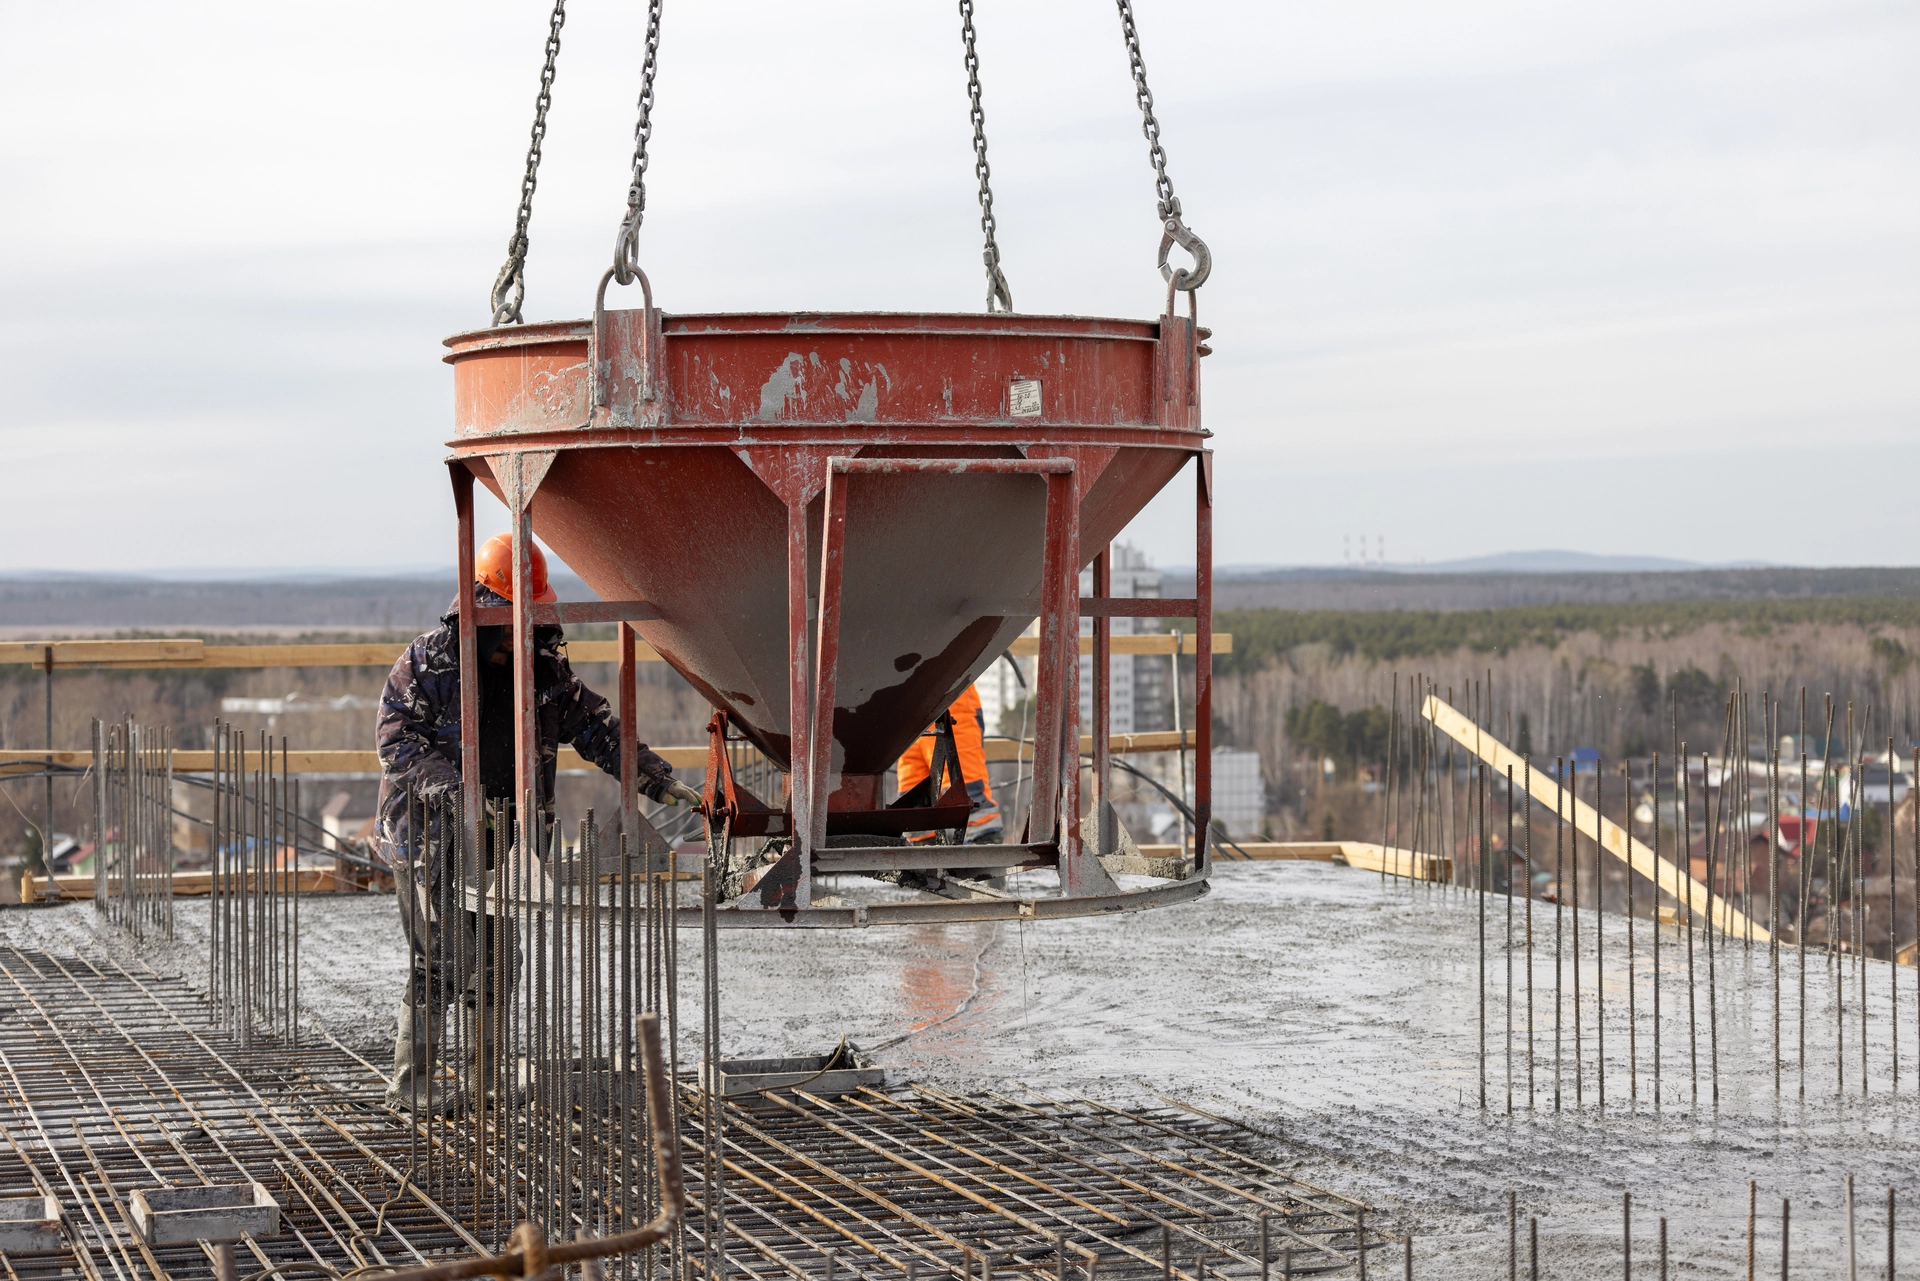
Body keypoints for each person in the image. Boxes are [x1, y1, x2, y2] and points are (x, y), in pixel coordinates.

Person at [374, 533, 699, 1111]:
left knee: (499, 960)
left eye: (525, 619)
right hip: (433, 834)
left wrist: (651, 773)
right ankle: (412, 1084)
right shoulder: (429, 663)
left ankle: (485, 1083)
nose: (515, 633)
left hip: (507, 836)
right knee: (444, 960)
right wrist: (455, 794)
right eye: (505, 618)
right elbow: (396, 739)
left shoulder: (544, 668)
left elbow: (595, 726)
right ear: (479, 605)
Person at [895, 684, 1002, 843]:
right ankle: (920, 860)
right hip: (907, 703)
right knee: (913, 804)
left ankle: (984, 856)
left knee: (966, 794)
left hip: (951, 695)